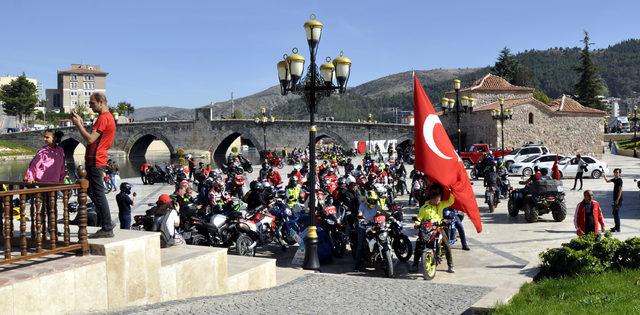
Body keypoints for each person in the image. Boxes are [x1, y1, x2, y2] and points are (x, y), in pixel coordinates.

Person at [71, 92, 116, 238]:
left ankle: (107, 227)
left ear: (101, 102)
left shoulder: (103, 118)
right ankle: (106, 223)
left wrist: (78, 126)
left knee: (98, 193)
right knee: (91, 192)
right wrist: (82, 123)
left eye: (92, 103)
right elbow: (95, 139)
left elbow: (90, 139)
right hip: (94, 160)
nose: (90, 106)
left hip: (96, 160)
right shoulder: (105, 118)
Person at [24, 129, 66, 239]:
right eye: (44, 137)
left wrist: (61, 180)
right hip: (42, 183)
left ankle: (53, 229)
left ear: (54, 138)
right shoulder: (43, 151)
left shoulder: (60, 150)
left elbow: (62, 167)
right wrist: (30, 177)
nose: (44, 139)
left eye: (47, 137)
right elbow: (34, 165)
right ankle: (41, 229)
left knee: (52, 208)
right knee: (41, 209)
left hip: (54, 184)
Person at [412, 185, 456, 273]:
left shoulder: (441, 204)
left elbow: (451, 201)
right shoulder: (424, 208)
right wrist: (417, 224)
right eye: (437, 200)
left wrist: (452, 191)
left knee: (447, 245)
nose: (439, 201)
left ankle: (450, 265)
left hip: (438, 228)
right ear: (432, 199)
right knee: (419, 245)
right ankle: (415, 265)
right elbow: (419, 218)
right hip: (426, 229)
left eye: (439, 199)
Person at [353, 190, 383, 271]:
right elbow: (359, 214)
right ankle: (357, 266)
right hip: (363, 227)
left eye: (374, 200)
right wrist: (361, 218)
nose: (373, 202)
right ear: (367, 199)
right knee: (360, 246)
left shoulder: (376, 205)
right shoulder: (362, 205)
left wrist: (390, 216)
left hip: (374, 226)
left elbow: (383, 212)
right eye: (371, 200)